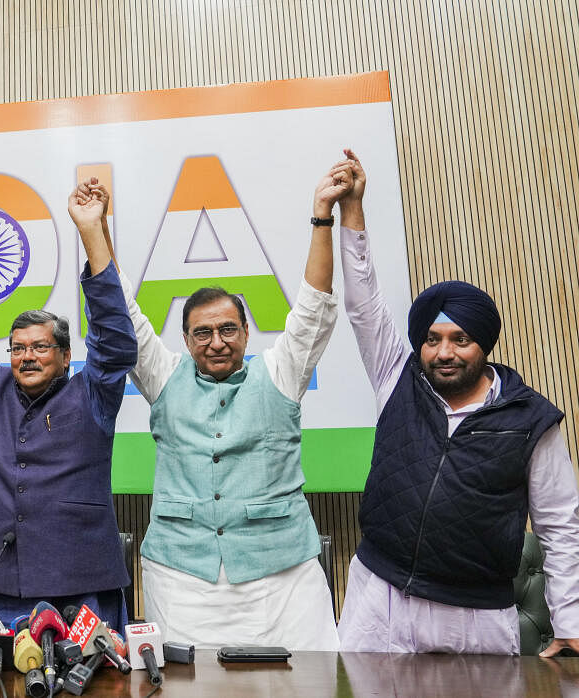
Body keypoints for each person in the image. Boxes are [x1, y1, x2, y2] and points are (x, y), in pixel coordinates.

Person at [333, 150, 579, 656]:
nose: (444, 352)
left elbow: (560, 526)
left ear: (483, 345)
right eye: (432, 339)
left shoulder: (532, 420)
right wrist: (352, 209)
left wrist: (571, 622)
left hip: (476, 619)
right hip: (376, 601)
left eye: (460, 339)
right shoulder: (397, 377)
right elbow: (363, 304)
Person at [123, 158, 353, 651]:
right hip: (182, 579)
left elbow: (315, 305)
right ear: (185, 340)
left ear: (247, 332)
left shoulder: (280, 371)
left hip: (283, 577)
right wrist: (94, 232)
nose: (217, 341)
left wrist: (322, 217)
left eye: (228, 329)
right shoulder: (163, 378)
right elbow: (123, 315)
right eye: (202, 332)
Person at [0, 179, 135, 629]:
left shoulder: (92, 392)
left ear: (65, 355)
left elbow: (114, 341)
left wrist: (91, 230)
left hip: (76, 579)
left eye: (40, 347)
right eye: (17, 348)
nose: (27, 356)